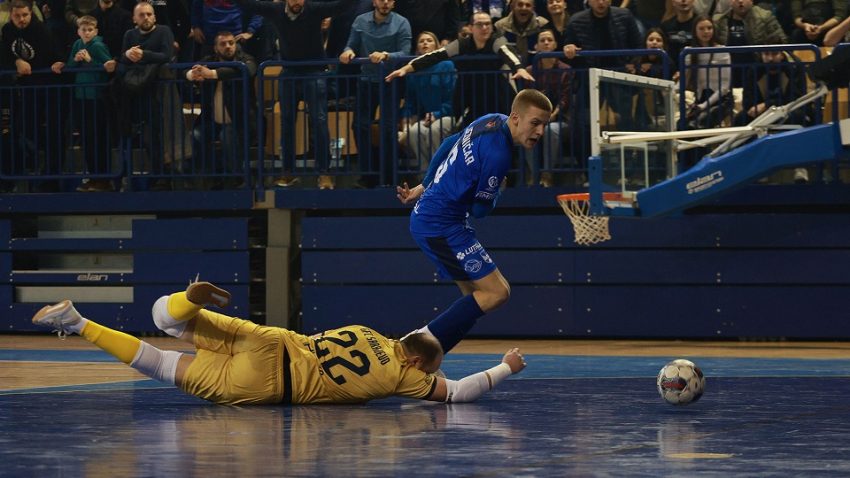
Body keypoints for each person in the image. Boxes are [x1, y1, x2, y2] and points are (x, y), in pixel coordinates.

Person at [31, 281, 527, 405]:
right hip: (269, 384)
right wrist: (505, 367)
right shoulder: (405, 377)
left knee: (167, 320)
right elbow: (458, 393)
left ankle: (185, 298)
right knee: (162, 363)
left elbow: (425, 339)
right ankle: (78, 324)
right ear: (416, 362)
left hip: (272, 342)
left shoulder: (369, 331)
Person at [394, 89, 552, 354]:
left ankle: (429, 358)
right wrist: (498, 191)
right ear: (515, 117)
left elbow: (449, 143)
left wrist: (424, 185)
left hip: (433, 218)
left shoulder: (491, 119)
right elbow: (480, 210)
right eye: (535, 123)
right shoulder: (499, 156)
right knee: (498, 293)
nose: (540, 132)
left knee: (473, 300)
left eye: (544, 125)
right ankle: (411, 349)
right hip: (439, 226)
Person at [233, 0, 350, 191]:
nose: (297, 2)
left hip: (314, 70)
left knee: (319, 121)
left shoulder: (314, 9)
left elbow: (341, 6)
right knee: (286, 122)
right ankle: (287, 171)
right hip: (289, 71)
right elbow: (252, 5)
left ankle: (324, 172)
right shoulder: (276, 10)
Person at [385, 12, 535, 131]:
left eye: (488, 24)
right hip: (472, 95)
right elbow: (436, 55)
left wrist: (519, 68)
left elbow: (507, 52)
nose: (485, 28)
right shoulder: (463, 44)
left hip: (499, 94)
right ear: (471, 28)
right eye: (480, 24)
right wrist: (406, 68)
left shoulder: (497, 40)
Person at [339, 0, 412, 189]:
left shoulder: (402, 22)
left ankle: (389, 177)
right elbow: (350, 45)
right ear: (374, 2)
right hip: (366, 81)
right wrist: (347, 52)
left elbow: (405, 52)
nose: (385, 2)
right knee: (359, 126)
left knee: (388, 129)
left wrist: (387, 55)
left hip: (391, 81)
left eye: (389, 0)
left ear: (394, 3)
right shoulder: (360, 21)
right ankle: (367, 175)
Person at [185, 30, 257, 189]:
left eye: (231, 43)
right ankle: (206, 176)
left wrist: (211, 74)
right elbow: (185, 70)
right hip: (213, 121)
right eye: (223, 44)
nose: (228, 46)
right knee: (195, 136)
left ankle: (237, 177)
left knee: (227, 134)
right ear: (216, 48)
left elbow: (248, 70)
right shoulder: (209, 61)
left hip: (241, 122)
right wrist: (193, 74)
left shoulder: (245, 59)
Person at [51, 15, 114, 192]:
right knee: (87, 138)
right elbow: (71, 66)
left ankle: (103, 178)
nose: (86, 33)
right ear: (78, 31)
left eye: (90, 30)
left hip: (97, 98)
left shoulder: (99, 46)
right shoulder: (77, 45)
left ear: (96, 31)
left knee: (98, 138)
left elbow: (107, 69)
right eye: (83, 30)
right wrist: (74, 61)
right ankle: (93, 177)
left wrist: (90, 61)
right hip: (81, 97)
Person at [398, 31, 457, 176]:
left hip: (449, 114)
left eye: (429, 40)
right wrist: (406, 121)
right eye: (421, 41)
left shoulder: (446, 65)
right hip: (426, 117)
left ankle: (442, 174)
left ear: (436, 46)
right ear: (417, 48)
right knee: (414, 131)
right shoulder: (413, 70)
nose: (425, 43)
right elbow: (410, 100)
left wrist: (437, 114)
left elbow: (453, 98)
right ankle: (425, 177)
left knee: (435, 130)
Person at [526, 29, 571, 187]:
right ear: (536, 46)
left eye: (549, 40)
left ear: (555, 44)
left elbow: (565, 99)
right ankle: (534, 174)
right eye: (542, 40)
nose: (546, 43)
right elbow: (527, 98)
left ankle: (547, 174)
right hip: (535, 118)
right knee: (527, 129)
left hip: (561, 119)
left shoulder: (565, 70)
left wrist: (554, 114)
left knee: (551, 130)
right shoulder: (529, 71)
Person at [684, 15, 732, 129]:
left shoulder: (722, 51)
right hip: (701, 99)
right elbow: (684, 81)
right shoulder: (689, 53)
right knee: (681, 125)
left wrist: (704, 105)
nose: (706, 32)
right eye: (701, 29)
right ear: (695, 31)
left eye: (709, 28)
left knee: (698, 124)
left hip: (721, 100)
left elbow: (724, 87)